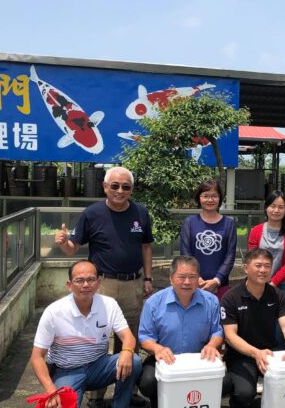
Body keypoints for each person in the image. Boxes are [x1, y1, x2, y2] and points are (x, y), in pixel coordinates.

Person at [55, 166, 153, 407]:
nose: (120, 191)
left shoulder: (140, 211)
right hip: (102, 283)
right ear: (105, 187)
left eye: (126, 187)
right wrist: (62, 243)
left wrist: (148, 278)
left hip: (133, 282)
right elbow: (73, 247)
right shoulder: (92, 213)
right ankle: (95, 395)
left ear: (131, 189)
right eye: (115, 186)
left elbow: (146, 247)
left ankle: (127, 393)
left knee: (129, 337)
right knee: (97, 337)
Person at [30, 260, 142, 408]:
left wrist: (127, 352)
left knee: (133, 361)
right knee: (60, 405)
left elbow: (127, 336)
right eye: (79, 281)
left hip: (99, 367)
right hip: (66, 372)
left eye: (91, 279)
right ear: (69, 285)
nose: (86, 285)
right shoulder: (54, 312)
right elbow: (37, 357)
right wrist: (51, 390)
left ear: (98, 282)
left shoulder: (109, 305)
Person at [221, 248, 285, 408]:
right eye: (258, 265)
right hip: (241, 356)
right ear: (246, 267)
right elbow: (230, 336)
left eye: (267, 266)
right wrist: (255, 353)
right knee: (244, 394)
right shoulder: (231, 297)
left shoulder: (277, 295)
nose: (263, 270)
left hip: (270, 353)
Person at [137, 256, 223, 407]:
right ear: (171, 278)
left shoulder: (211, 301)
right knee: (147, 382)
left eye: (192, 277)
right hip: (165, 359)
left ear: (199, 279)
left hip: (198, 358)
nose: (187, 282)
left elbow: (217, 332)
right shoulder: (154, 302)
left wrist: (212, 345)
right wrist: (158, 348)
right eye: (182, 277)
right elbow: (144, 337)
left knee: (226, 381)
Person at [180, 178, 236, 299]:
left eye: (214, 196)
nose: (210, 200)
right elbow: (185, 254)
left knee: (220, 317)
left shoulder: (229, 224)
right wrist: (197, 278)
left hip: (221, 285)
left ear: (220, 198)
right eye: (205, 196)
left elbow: (230, 256)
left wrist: (217, 280)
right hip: (193, 284)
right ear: (199, 198)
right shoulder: (189, 222)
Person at [248, 190, 285, 299]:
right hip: (259, 281)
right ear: (266, 207)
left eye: (281, 207)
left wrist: (273, 282)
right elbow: (252, 259)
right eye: (273, 206)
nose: (276, 210)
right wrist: (261, 282)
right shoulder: (256, 231)